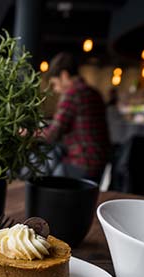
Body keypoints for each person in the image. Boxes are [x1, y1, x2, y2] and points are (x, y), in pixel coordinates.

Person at [40, 52, 111, 183]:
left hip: (82, 162)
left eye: (54, 84)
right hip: (100, 162)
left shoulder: (72, 93)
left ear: (64, 75)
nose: (55, 89)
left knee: (46, 180)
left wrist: (28, 134)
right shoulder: (94, 92)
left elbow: (53, 134)